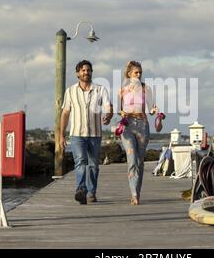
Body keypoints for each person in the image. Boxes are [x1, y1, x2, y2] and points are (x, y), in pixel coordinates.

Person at [59, 60, 113, 204]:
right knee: (81, 161)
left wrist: (108, 115)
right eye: (83, 70)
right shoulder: (70, 91)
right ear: (77, 73)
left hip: (95, 134)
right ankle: (81, 190)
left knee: (94, 165)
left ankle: (91, 192)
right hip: (77, 134)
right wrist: (61, 134)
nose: (86, 72)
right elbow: (65, 113)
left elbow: (108, 106)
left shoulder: (100, 89)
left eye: (88, 70)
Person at [118, 61, 158, 205]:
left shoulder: (145, 88)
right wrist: (121, 112)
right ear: (129, 74)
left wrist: (154, 111)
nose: (139, 75)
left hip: (142, 124)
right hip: (127, 125)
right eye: (136, 72)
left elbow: (151, 107)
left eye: (140, 72)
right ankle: (133, 193)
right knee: (132, 159)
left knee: (140, 162)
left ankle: (137, 193)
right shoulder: (122, 89)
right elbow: (118, 108)